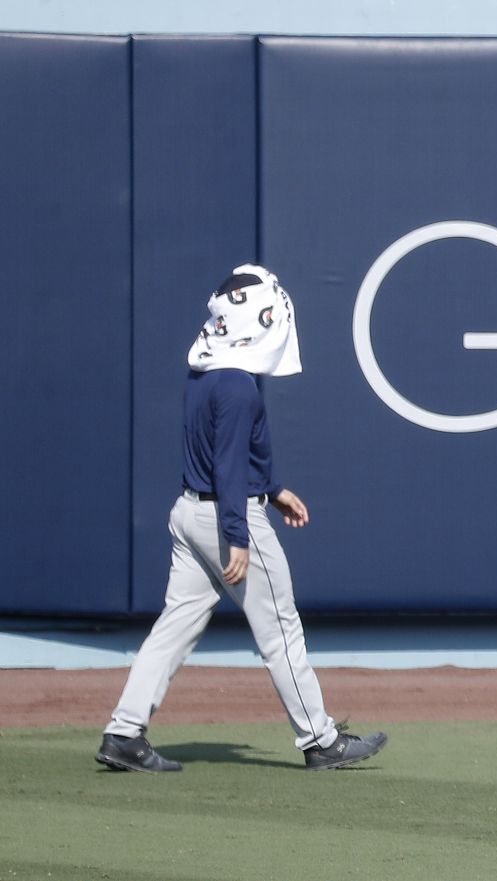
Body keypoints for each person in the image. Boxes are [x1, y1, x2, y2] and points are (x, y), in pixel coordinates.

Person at [96, 264, 387, 773]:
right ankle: (321, 740)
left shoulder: (205, 374)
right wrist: (238, 535)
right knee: (281, 628)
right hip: (227, 517)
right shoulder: (238, 387)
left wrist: (272, 490)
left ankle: (123, 732)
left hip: (189, 513)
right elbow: (228, 467)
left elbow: (221, 456)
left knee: (172, 628)